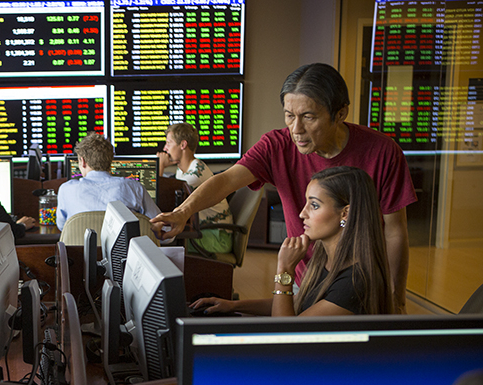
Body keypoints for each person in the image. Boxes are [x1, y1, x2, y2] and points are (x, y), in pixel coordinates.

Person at [150, 63, 416, 311]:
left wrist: (396, 299)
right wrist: (182, 212)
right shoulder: (277, 145)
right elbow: (227, 180)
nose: (296, 129)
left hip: (356, 284)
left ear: (340, 113)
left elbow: (394, 232)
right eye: (289, 116)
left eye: (308, 117)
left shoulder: (382, 152)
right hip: (309, 278)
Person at [191, 166, 394, 316]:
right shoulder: (327, 258)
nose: (301, 213)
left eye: (314, 205)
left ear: (345, 214)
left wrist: (285, 270)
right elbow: (298, 303)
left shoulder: (355, 282)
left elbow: (287, 334)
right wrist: (234, 305)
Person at [57, 133, 162, 230]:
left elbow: (63, 227)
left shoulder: (66, 190)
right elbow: (162, 227)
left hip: (81, 250)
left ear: (83, 161)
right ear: (111, 160)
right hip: (123, 250)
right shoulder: (134, 188)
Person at [156, 123, 234, 253]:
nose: (165, 148)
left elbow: (159, 198)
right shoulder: (183, 170)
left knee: (162, 242)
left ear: (183, 145)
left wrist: (160, 167)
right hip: (203, 230)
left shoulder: (194, 176)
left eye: (169, 143)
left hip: (217, 237)